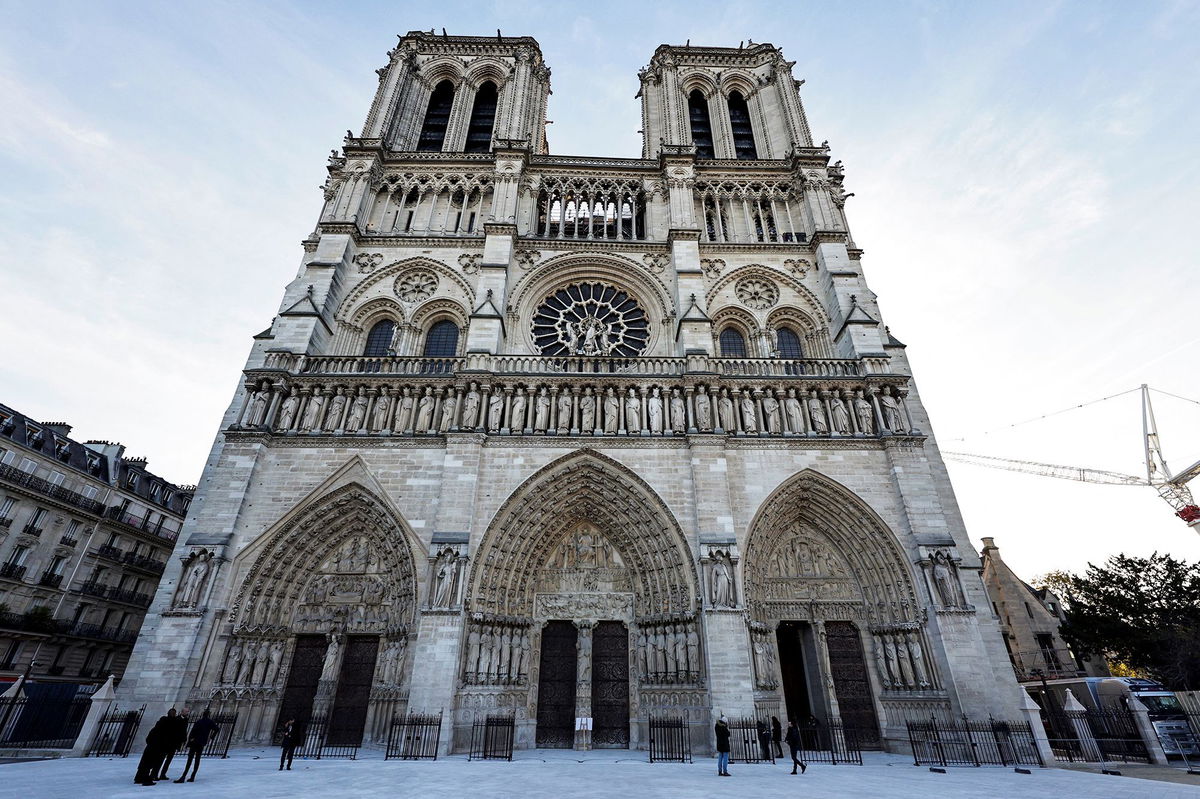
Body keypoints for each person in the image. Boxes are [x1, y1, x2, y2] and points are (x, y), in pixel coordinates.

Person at [175, 709, 219, 783]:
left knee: (190, 760)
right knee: (197, 759)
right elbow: (217, 729)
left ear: (203, 714)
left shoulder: (199, 721)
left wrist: (189, 741)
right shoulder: (210, 722)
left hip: (194, 742)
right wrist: (211, 737)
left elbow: (193, 731)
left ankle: (183, 776)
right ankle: (193, 776)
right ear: (209, 715)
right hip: (201, 742)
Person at [134, 709, 175, 786]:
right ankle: (146, 780)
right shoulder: (163, 732)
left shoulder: (155, 729)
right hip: (155, 749)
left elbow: (148, 739)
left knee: (143, 764)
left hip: (149, 748)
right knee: (148, 765)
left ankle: (138, 778)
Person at [158, 707, 189, 780]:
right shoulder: (176, 719)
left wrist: (183, 740)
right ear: (182, 712)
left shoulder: (186, 720)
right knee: (162, 758)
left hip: (175, 743)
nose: (187, 713)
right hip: (169, 742)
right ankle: (155, 773)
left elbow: (184, 731)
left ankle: (163, 774)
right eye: (186, 711)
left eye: (188, 712)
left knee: (169, 759)